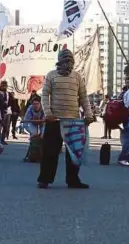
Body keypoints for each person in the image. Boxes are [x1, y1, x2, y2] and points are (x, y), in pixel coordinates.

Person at [37, 49, 94, 189]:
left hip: (73, 121)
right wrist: (48, 113)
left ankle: (73, 180)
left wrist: (88, 114)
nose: (68, 62)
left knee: (73, 153)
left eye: (70, 60)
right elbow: (44, 95)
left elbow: (83, 97)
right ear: (59, 60)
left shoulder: (77, 77)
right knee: (50, 152)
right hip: (54, 121)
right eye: (65, 59)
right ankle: (45, 179)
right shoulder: (51, 75)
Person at [0, 81, 11, 145]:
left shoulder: (7, 93)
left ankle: (2, 139)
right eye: (3, 85)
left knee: (6, 126)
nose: (4, 86)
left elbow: (10, 101)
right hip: (2, 111)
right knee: (0, 126)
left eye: (5, 85)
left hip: (8, 111)